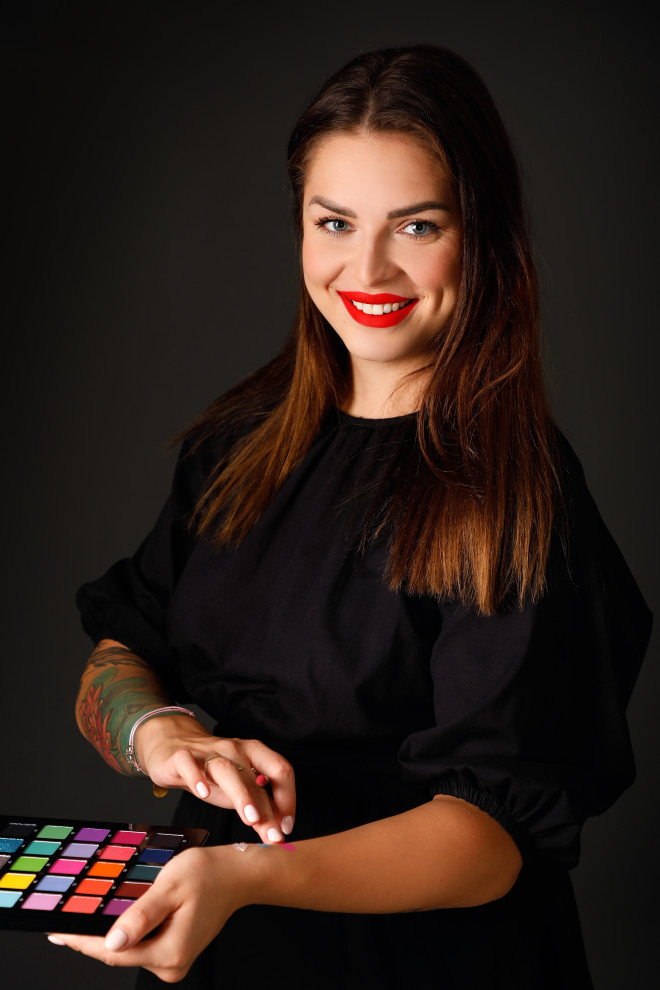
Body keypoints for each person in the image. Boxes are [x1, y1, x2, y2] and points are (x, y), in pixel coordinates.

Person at [51, 45, 651, 988]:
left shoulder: (519, 490)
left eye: (417, 225)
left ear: (483, 235)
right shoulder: (238, 442)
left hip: (425, 964)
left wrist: (250, 876)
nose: (366, 267)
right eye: (335, 222)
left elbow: (494, 837)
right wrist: (162, 735)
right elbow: (124, 646)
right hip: (217, 932)